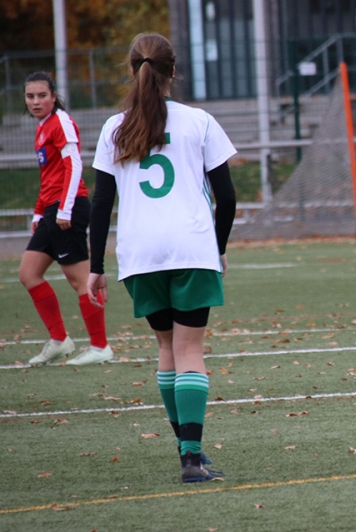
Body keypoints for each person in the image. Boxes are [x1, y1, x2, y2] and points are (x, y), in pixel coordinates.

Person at [87, 33, 236, 482]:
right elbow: (227, 198)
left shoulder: (114, 127)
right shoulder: (199, 121)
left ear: (132, 71)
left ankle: (189, 452)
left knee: (167, 348)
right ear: (173, 71)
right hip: (190, 247)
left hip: (140, 253)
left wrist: (96, 267)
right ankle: (191, 459)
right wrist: (218, 247)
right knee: (189, 349)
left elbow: (100, 203)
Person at [19, 72, 112, 366]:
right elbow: (48, 175)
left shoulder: (60, 122)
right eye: (30, 96)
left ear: (54, 96)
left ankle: (100, 347)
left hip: (66, 208)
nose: (36, 101)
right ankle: (59, 341)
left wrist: (64, 209)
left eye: (42, 95)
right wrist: (39, 211)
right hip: (52, 209)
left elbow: (74, 165)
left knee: (80, 279)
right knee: (29, 273)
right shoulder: (42, 127)